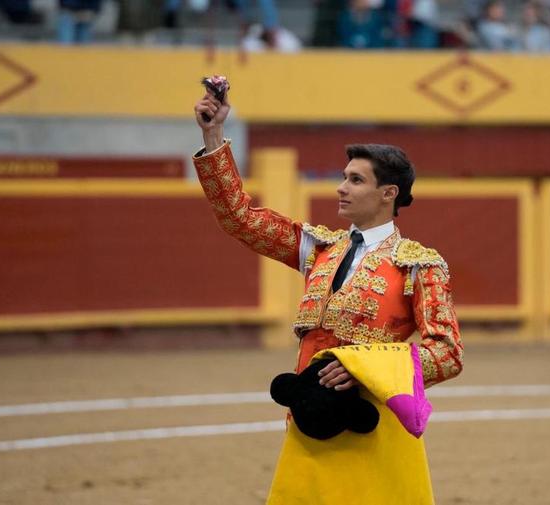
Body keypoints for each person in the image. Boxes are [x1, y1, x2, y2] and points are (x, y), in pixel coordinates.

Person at [192, 82, 463, 504]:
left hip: (374, 424)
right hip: (309, 418)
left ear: (388, 193)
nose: (341, 187)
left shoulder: (419, 264)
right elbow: (239, 218)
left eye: (355, 180)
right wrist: (213, 136)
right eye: (344, 177)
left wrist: (364, 370)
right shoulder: (319, 249)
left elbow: (447, 353)